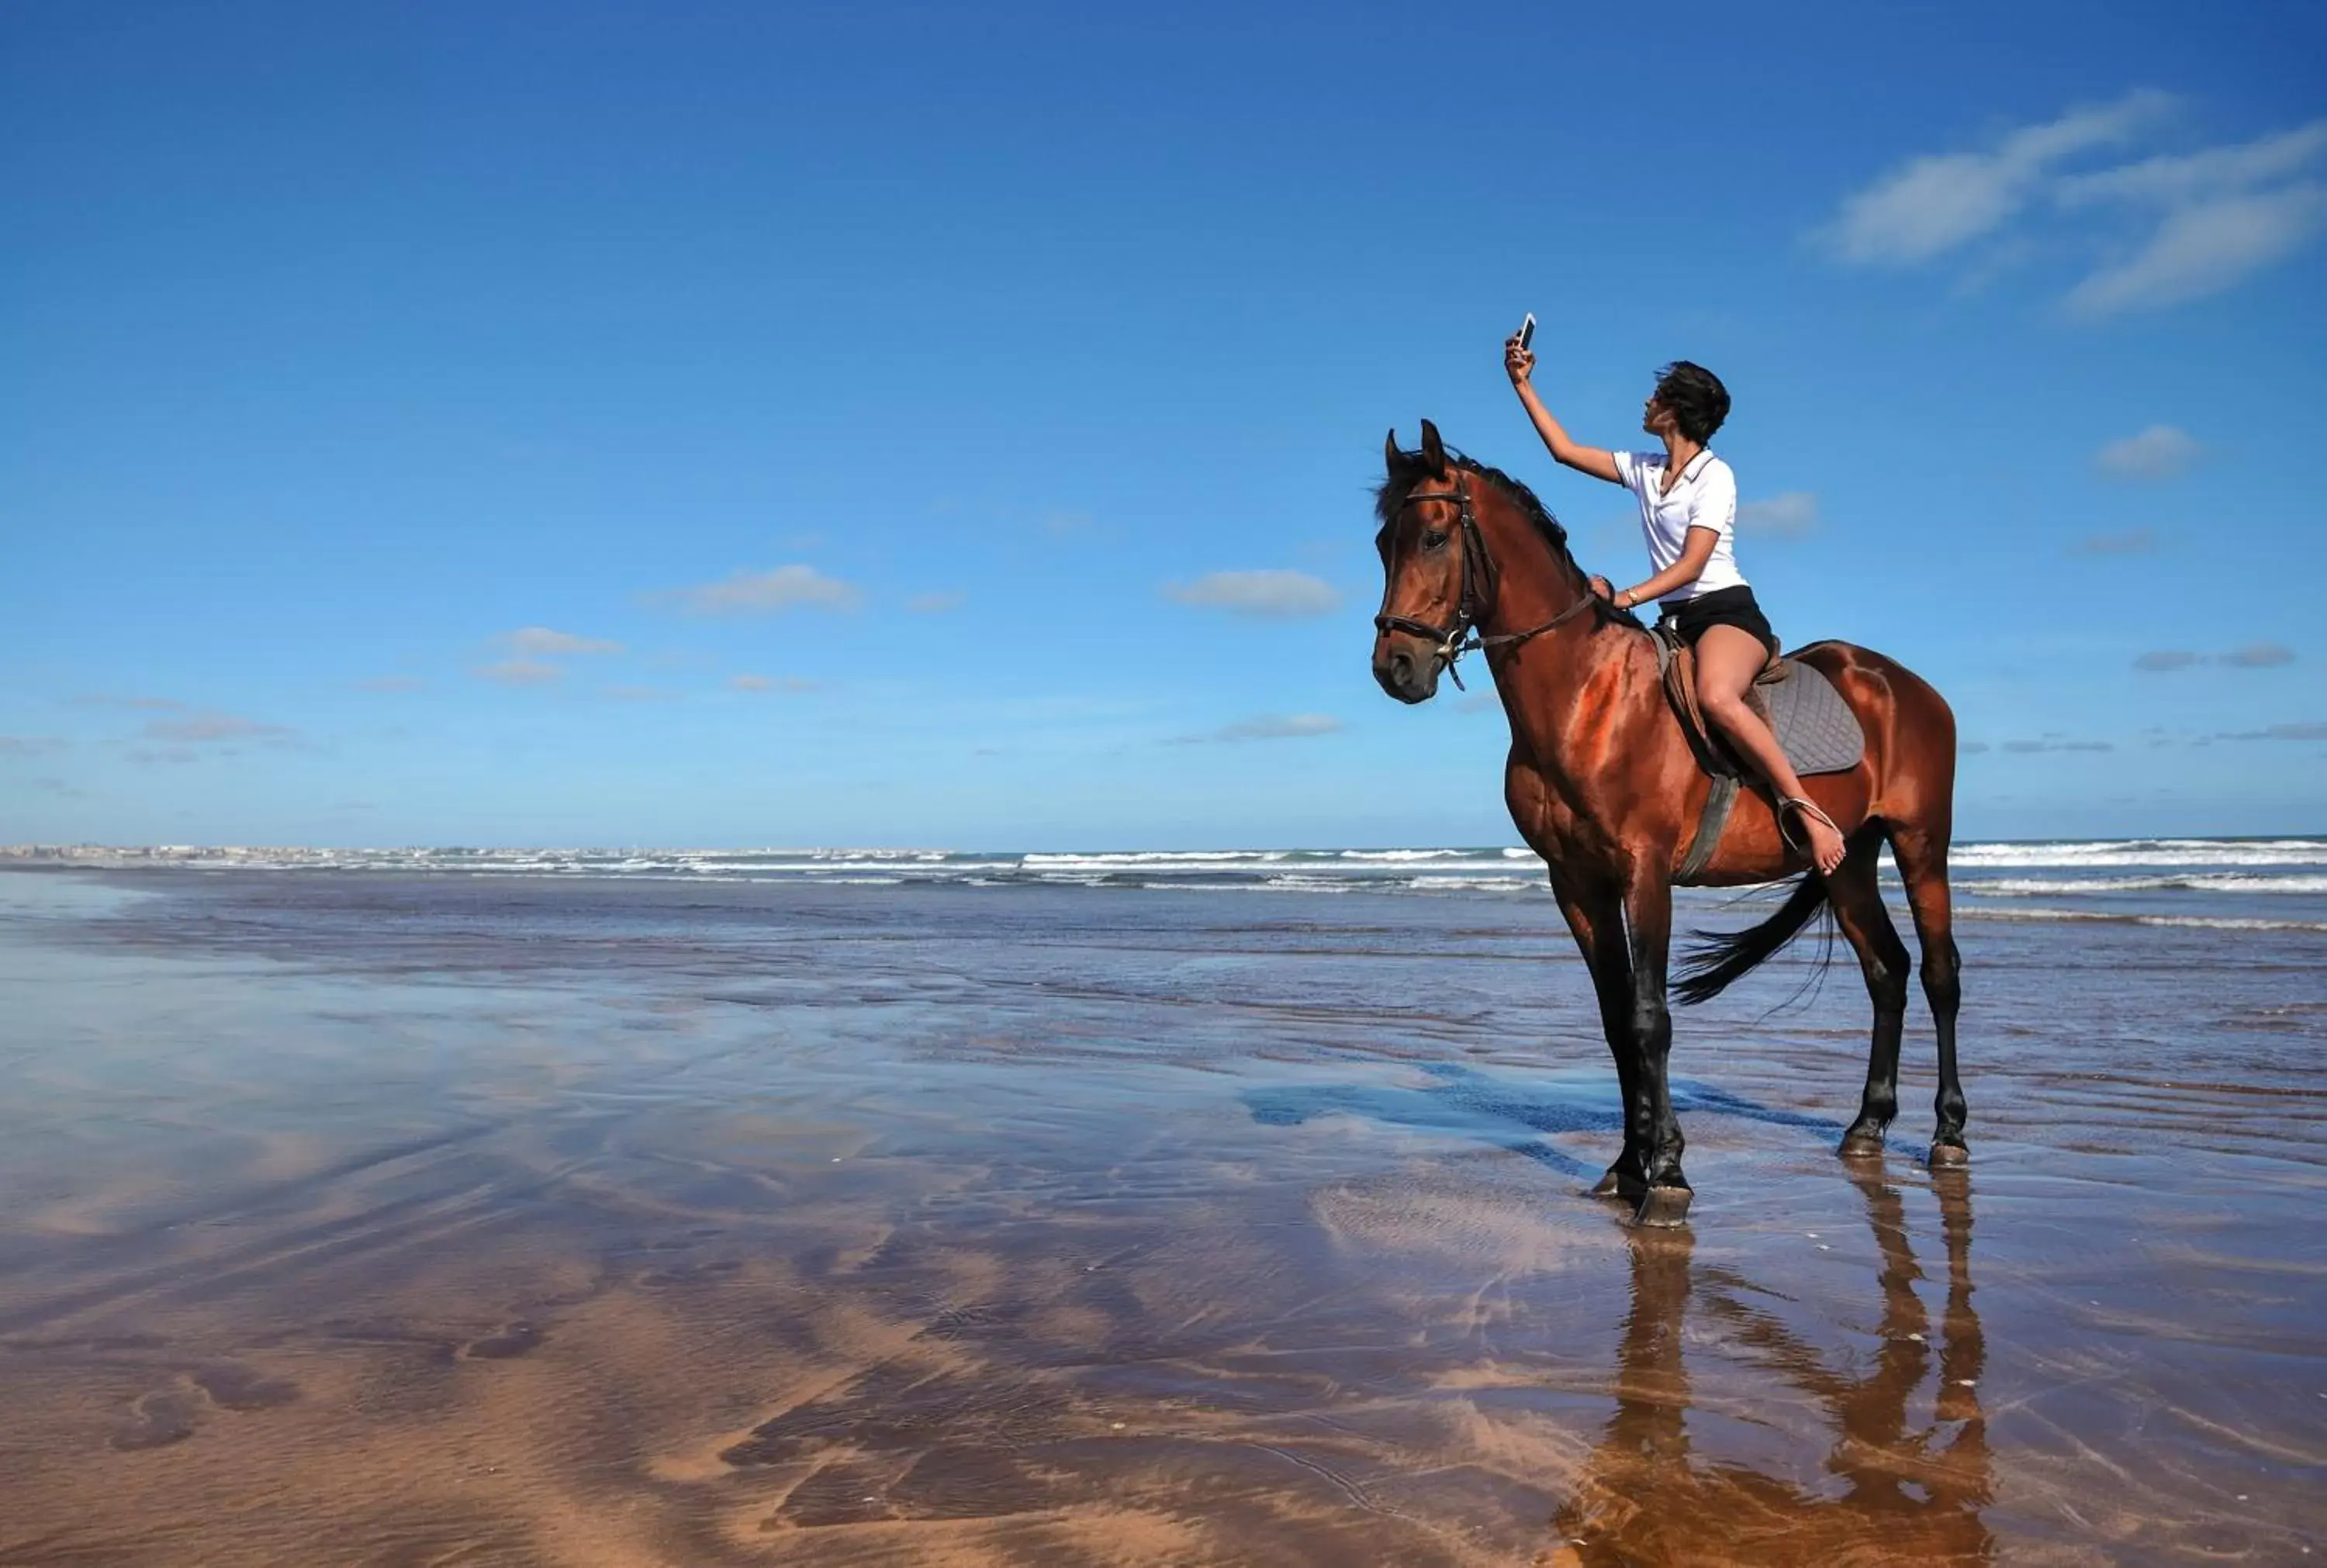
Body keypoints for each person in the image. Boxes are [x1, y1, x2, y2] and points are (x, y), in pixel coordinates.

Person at [1503, 338, 1846, 876]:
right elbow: (1565, 452)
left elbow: (1692, 565)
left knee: (1716, 694)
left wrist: (1625, 597)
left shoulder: (1715, 476)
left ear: (1676, 411)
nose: (1645, 401)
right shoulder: (1644, 469)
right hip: (1675, 621)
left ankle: (1806, 809)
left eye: (1656, 395)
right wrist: (1522, 383)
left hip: (1726, 612)